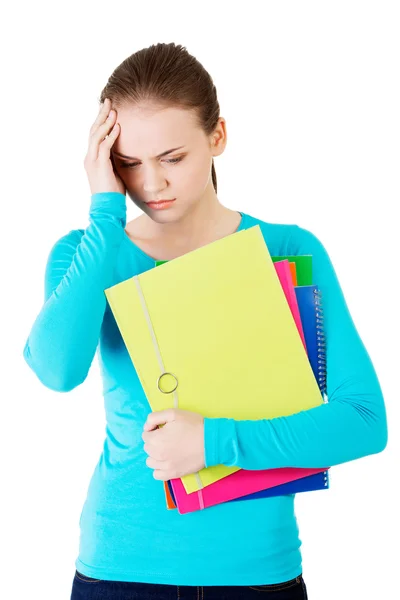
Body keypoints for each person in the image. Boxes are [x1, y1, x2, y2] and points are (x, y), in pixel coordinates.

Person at [23, 42, 388, 600]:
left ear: (217, 136)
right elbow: (56, 370)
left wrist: (215, 441)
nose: (151, 184)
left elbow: (363, 420)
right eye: (128, 163)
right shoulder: (88, 253)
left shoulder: (285, 250)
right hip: (120, 572)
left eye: (172, 157)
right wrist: (103, 212)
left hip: (256, 575)